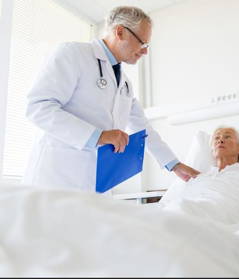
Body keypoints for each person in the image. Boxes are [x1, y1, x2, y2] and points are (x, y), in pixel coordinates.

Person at [23, 6, 199, 192]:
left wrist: (174, 165)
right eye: (142, 43)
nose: (145, 52)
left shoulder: (125, 84)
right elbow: (38, 107)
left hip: (95, 182)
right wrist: (98, 136)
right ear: (120, 32)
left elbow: (143, 128)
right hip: (55, 177)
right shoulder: (73, 54)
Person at [162, 127, 239, 224]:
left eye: (227, 137)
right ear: (212, 150)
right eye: (216, 138)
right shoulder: (199, 177)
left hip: (223, 210)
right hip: (183, 210)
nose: (220, 140)